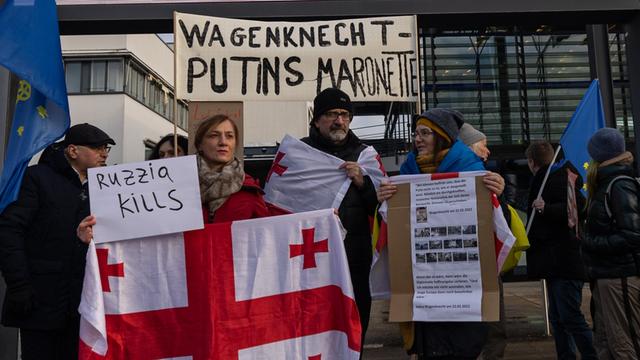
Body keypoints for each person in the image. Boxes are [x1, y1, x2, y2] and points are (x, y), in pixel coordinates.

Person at [377, 109, 502, 359]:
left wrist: (499, 194)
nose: (417, 139)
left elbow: (497, 225)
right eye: (416, 134)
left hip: (463, 290)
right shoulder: (408, 173)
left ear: (443, 137)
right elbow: (396, 230)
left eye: (425, 133)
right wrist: (384, 203)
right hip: (423, 286)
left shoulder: (472, 168)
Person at [0, 123, 115, 360]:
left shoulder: (104, 186)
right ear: (72, 151)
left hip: (83, 304)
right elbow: (10, 231)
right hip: (39, 298)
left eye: (106, 148)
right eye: (97, 148)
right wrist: (19, 285)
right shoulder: (36, 179)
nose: (104, 154)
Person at [301, 88, 380, 349]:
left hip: (354, 257)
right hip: (309, 257)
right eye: (332, 114)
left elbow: (383, 209)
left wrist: (363, 182)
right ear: (316, 120)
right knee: (313, 323)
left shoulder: (366, 156)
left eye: (345, 114)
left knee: (354, 321)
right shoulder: (298, 154)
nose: (339, 120)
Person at [525, 140, 596, 360]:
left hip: (564, 261)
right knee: (558, 317)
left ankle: (590, 355)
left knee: (569, 316)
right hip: (558, 262)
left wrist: (547, 208)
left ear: (531, 162)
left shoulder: (559, 178)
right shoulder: (556, 177)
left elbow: (578, 209)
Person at [582, 128, 640, 360]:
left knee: (624, 341)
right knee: (607, 340)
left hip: (619, 275)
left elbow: (633, 235)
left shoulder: (618, 184)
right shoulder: (610, 183)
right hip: (608, 275)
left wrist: (591, 242)